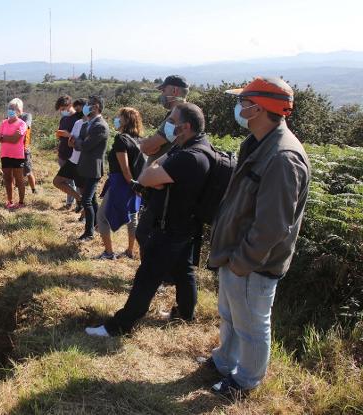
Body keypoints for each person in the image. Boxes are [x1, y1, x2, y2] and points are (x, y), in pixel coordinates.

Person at [205, 77, 310, 398]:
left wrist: (242, 262)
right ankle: (225, 363)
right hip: (235, 255)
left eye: (243, 102)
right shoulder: (257, 143)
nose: (239, 107)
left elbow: (273, 226)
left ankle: (245, 381)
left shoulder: (282, 158)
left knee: (251, 327)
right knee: (232, 317)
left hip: (253, 264)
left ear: (259, 108)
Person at [86, 103, 211, 336]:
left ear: (185, 126)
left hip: (170, 227)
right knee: (184, 271)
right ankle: (185, 315)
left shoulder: (188, 156)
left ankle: (120, 326)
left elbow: (146, 176)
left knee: (147, 276)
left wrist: (156, 164)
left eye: (171, 121)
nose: (167, 126)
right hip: (187, 224)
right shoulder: (202, 148)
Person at [95, 107, 146, 260]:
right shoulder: (140, 140)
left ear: (126, 120)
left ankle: (109, 253)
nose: (117, 119)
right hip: (136, 183)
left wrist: (130, 183)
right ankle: (130, 251)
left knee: (102, 216)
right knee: (133, 217)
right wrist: (137, 186)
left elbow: (124, 168)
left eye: (120, 116)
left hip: (122, 183)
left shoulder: (121, 139)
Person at [71, 95, 109, 241]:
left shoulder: (100, 126)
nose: (87, 106)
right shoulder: (88, 124)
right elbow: (78, 142)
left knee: (86, 200)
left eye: (90, 104)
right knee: (91, 200)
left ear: (97, 106)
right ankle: (96, 225)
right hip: (84, 166)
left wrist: (79, 142)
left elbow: (85, 145)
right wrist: (79, 142)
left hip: (93, 168)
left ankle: (89, 233)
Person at [140, 75, 189, 165]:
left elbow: (146, 147)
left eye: (163, 90)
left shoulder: (176, 118)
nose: (162, 95)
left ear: (174, 91)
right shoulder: (188, 113)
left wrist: (145, 143)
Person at [53, 98, 86, 211]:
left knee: (75, 182)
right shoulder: (64, 119)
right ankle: (75, 202)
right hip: (63, 153)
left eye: (63, 109)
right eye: (61, 110)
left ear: (70, 105)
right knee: (66, 181)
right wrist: (59, 135)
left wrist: (68, 135)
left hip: (73, 154)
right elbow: (60, 133)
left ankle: (76, 204)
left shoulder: (78, 119)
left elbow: (78, 138)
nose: (62, 111)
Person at [0, 98, 28, 209]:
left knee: (19, 180)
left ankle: (21, 202)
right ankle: (10, 201)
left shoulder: (22, 124)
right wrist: (7, 137)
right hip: (5, 155)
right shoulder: (3, 123)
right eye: (10, 108)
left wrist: (3, 137)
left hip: (18, 156)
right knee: (8, 179)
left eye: (14, 109)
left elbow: (15, 139)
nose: (11, 110)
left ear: (19, 111)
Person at [19, 111, 37, 193]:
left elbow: (25, 126)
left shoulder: (27, 115)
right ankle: (16, 189)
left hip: (24, 148)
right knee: (14, 172)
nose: (12, 110)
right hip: (12, 150)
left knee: (28, 171)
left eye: (14, 108)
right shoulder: (9, 117)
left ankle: (33, 189)